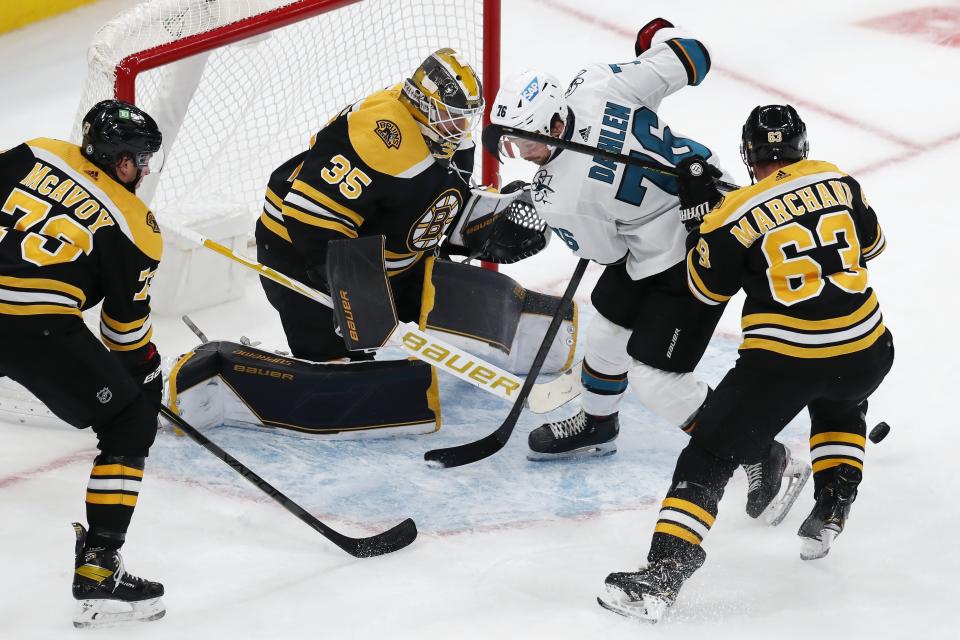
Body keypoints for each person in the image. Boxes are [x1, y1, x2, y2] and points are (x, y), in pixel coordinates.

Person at [489, 18, 803, 521]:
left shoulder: (560, 198)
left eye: (525, 143)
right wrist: (654, 39)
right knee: (609, 328)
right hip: (708, 197)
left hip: (699, 250)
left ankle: (764, 452)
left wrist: (553, 204)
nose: (521, 155)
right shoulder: (592, 84)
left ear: (552, 124)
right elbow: (691, 54)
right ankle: (598, 424)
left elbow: (609, 254)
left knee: (656, 380)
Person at [598, 104, 894, 622]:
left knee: (709, 455)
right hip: (869, 348)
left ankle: (664, 573)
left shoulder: (731, 213)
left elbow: (702, 288)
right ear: (801, 146)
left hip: (785, 363)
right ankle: (834, 499)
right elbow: (873, 245)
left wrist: (700, 220)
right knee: (841, 402)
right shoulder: (838, 180)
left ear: (748, 155)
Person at [255, 48, 547, 362]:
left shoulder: (449, 135)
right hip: (300, 256)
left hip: (380, 262)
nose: (462, 126)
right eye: (452, 115)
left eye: (467, 117)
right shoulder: (378, 135)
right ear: (423, 105)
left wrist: (481, 224)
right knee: (347, 367)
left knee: (445, 320)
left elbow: (428, 200)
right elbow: (310, 216)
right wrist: (351, 290)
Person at [0, 100, 167, 627]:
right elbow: (123, 335)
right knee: (129, 420)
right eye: (141, 160)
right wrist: (148, 376)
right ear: (122, 163)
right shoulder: (137, 225)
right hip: (36, 329)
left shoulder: (36, 151)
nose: (143, 171)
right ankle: (99, 570)